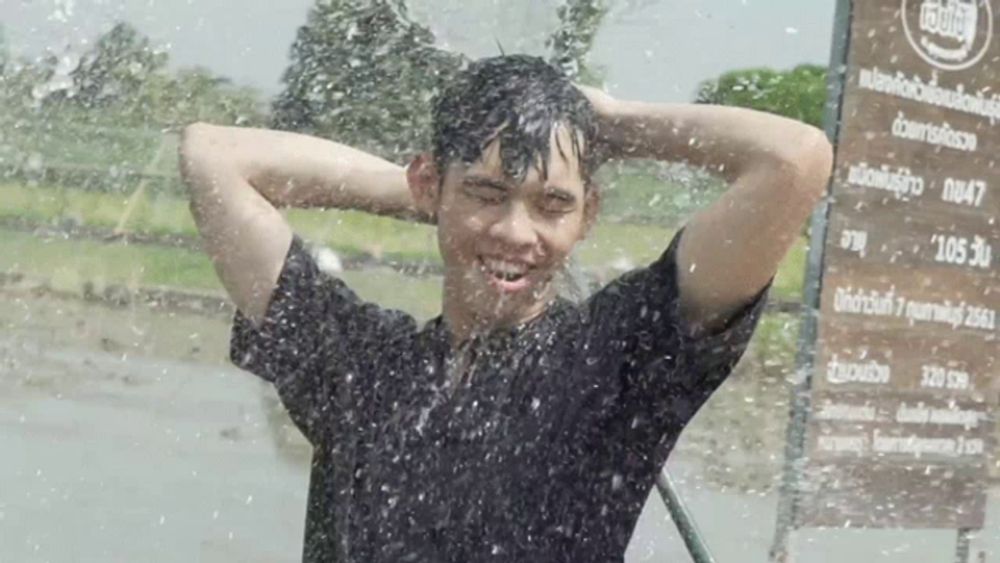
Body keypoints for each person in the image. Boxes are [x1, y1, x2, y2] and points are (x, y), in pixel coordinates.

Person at [179, 55, 832, 562]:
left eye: (552, 204)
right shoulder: (360, 365)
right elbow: (213, 156)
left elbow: (793, 161)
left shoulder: (618, 361)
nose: (518, 234)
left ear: (588, 215)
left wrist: (604, 121)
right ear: (430, 183)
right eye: (488, 195)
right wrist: (425, 196)